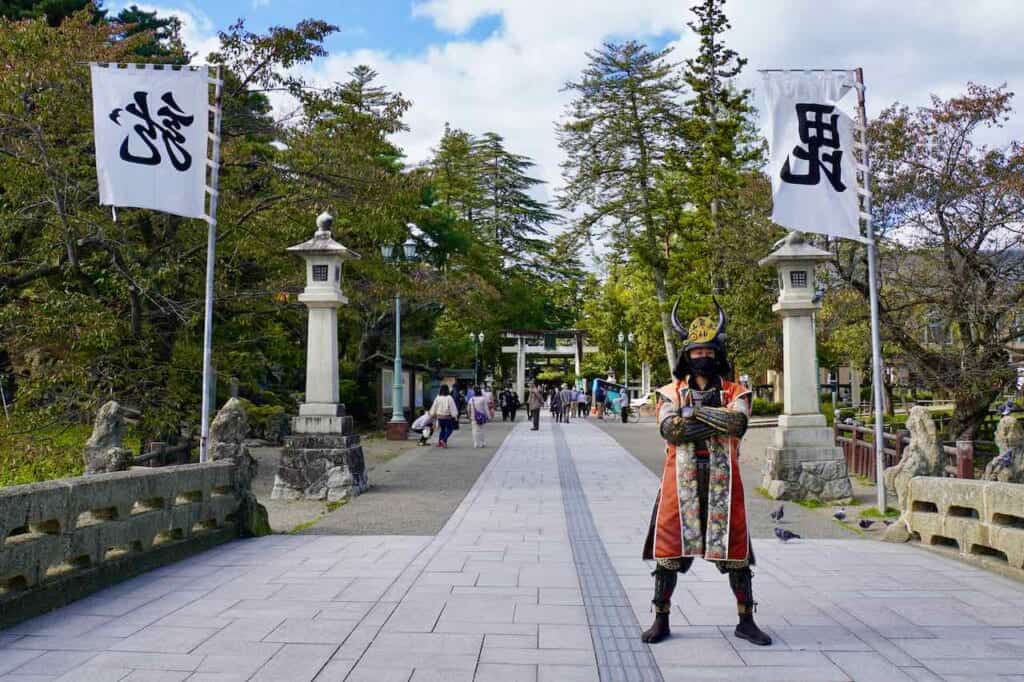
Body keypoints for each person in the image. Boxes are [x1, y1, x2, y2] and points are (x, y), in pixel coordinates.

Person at [640, 299, 770, 647]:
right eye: (696, 350)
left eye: (708, 350)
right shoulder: (669, 391)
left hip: (722, 483)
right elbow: (671, 430)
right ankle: (660, 619)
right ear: (686, 354)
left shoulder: (736, 391)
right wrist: (713, 420)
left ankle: (746, 619)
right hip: (678, 482)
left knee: (736, 552)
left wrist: (692, 415)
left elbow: (738, 422)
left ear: (717, 354)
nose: (702, 356)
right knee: (668, 553)